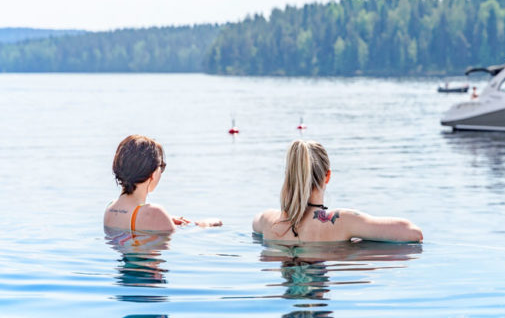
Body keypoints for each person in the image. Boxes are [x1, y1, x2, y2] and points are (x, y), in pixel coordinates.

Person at [253, 140, 423, 243]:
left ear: (289, 176)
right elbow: (413, 233)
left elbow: (254, 225)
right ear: (327, 176)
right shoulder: (343, 221)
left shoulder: (268, 220)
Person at [104, 135, 222, 233]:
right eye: (162, 166)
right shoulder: (155, 213)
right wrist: (204, 224)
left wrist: (166, 220)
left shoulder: (110, 208)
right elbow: (180, 240)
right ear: (153, 173)